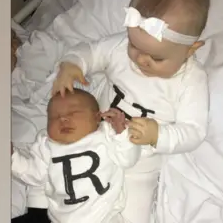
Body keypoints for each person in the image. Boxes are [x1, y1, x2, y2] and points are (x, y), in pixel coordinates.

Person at [52, 0, 211, 223]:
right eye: (135, 47)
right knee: (67, 199)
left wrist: (158, 134)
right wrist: (72, 65)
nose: (141, 60)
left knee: (133, 214)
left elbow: (194, 131)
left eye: (157, 58)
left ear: (191, 49)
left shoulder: (191, 81)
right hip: (93, 143)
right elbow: (90, 51)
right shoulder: (120, 48)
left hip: (139, 168)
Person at [11, 89, 141, 223]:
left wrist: (122, 133)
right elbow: (34, 174)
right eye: (54, 117)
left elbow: (128, 159)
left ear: (97, 117)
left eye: (73, 113)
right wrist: (12, 157)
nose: (63, 119)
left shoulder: (106, 135)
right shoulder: (47, 145)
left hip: (104, 216)